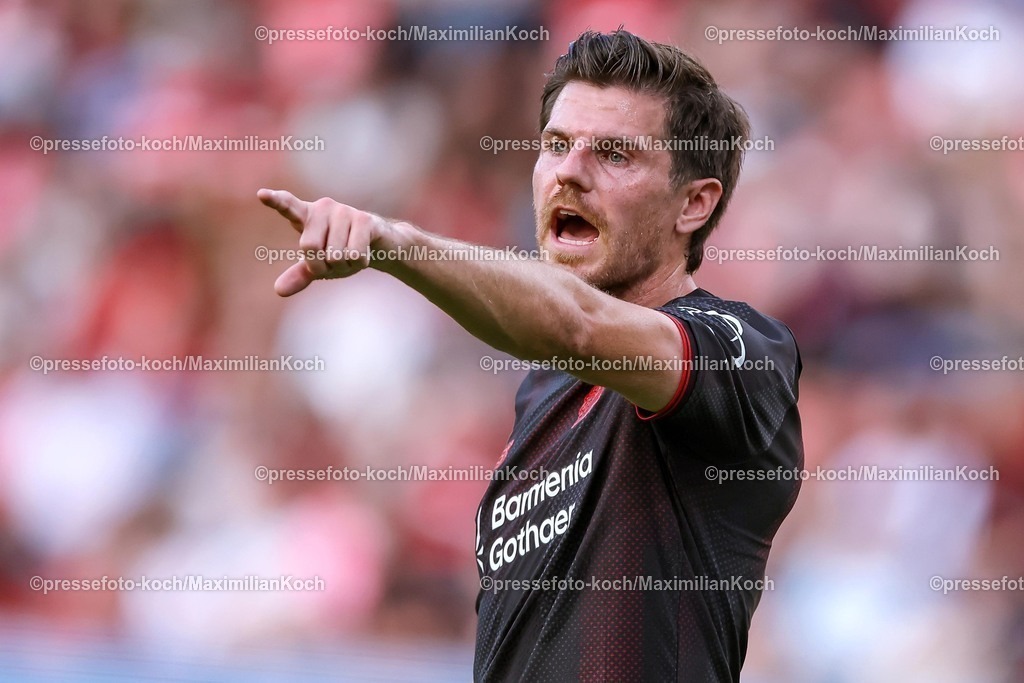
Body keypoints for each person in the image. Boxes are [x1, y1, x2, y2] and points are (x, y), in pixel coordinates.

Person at [258, 28, 803, 683]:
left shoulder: (739, 350)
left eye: (614, 154)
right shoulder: (545, 392)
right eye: (555, 145)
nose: (571, 170)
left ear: (694, 203)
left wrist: (391, 242)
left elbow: (575, 323)